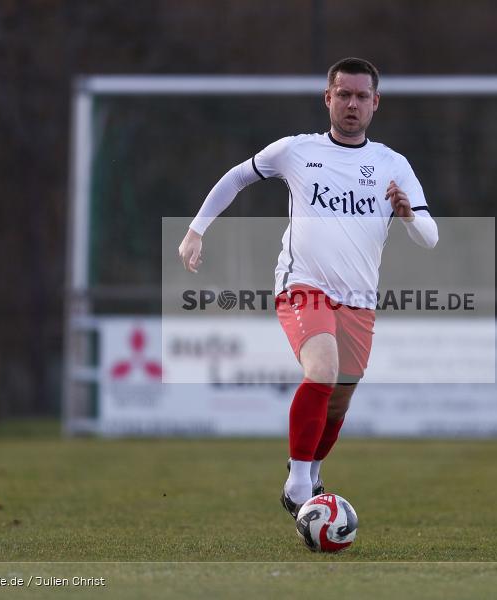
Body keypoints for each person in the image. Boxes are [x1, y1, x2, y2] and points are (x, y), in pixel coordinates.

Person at [177, 57, 438, 517]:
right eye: (343, 94)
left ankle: (312, 470)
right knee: (322, 369)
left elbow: (431, 237)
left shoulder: (392, 164)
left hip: (359, 299)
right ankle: (298, 485)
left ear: (375, 103)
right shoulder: (296, 151)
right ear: (328, 98)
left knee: (340, 396)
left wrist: (410, 216)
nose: (351, 104)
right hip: (302, 284)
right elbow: (238, 176)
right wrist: (197, 230)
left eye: (361, 96)